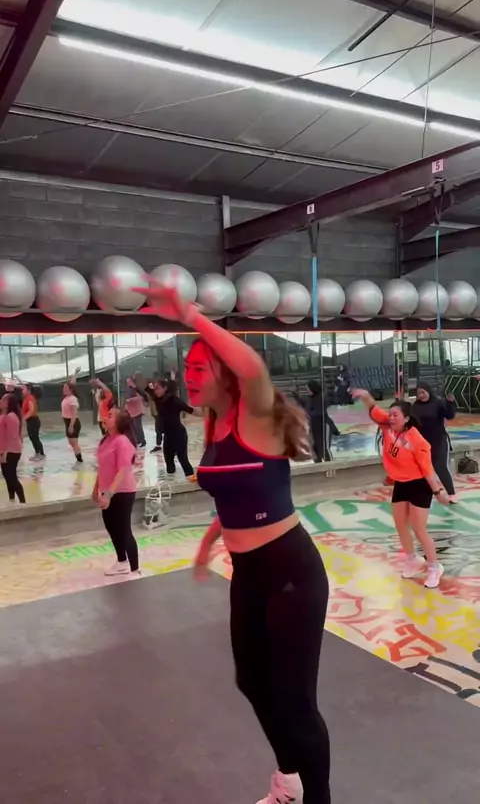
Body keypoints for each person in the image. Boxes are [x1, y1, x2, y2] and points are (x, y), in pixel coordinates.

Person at [134, 278, 331, 804]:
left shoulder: (255, 415)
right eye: (188, 369)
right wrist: (209, 540)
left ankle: (318, 797)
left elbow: (254, 368)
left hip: (290, 571)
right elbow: (239, 494)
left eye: (201, 368)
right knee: (252, 681)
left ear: (226, 374)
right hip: (248, 574)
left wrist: (192, 317)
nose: (189, 376)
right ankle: (290, 779)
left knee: (295, 701)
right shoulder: (216, 426)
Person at [352, 388, 450, 589]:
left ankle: (434, 567)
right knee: (400, 525)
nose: (391, 417)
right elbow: (373, 407)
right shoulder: (388, 426)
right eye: (390, 414)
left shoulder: (417, 441)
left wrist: (439, 491)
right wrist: (364, 395)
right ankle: (412, 559)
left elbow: (428, 470)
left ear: (406, 418)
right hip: (401, 483)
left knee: (419, 528)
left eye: (395, 415)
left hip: (419, 485)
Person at [92, 407, 140, 577]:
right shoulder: (106, 441)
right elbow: (102, 468)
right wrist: (96, 488)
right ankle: (121, 562)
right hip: (107, 491)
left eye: (110, 416)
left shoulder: (122, 441)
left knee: (123, 530)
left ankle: (135, 569)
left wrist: (109, 494)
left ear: (119, 422)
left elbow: (122, 471)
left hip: (122, 491)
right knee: (111, 527)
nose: (106, 417)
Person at [412, 382, 456, 501]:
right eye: (418, 393)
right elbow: (412, 424)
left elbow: (450, 416)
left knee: (440, 468)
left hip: (439, 440)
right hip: (423, 442)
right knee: (422, 469)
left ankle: (451, 494)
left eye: (423, 392)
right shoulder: (415, 406)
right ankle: (425, 494)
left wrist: (450, 403)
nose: (421, 395)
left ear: (428, 391)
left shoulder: (438, 402)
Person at [150, 379, 196, 477]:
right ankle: (171, 483)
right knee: (169, 463)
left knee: (183, 459)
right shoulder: (158, 399)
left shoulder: (174, 400)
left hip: (179, 435)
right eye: (154, 389)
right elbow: (144, 391)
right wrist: (134, 385)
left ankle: (192, 479)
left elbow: (190, 410)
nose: (155, 391)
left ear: (165, 388)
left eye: (157, 388)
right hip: (168, 436)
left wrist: (207, 414)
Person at [297, 380, 338, 462]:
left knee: (324, 448)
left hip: (323, 424)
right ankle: (318, 465)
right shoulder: (309, 399)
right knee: (315, 448)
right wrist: (297, 397)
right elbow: (305, 405)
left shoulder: (322, 398)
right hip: (314, 426)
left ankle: (330, 465)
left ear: (313, 389)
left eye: (308, 389)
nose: (307, 390)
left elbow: (317, 411)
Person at [0, 393, 26, 504]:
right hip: (5, 450)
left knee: (11, 476)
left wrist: (4, 453)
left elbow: (11, 437)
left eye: (3, 400)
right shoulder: (5, 415)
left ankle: (23, 502)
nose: (1, 401)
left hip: (11, 451)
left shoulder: (11, 417)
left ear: (9, 403)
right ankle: (11, 499)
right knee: (7, 475)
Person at [61, 377, 83, 463]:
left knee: (74, 443)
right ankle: (78, 458)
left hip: (73, 422)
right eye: (63, 387)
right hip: (67, 422)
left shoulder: (73, 399)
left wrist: (71, 425)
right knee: (71, 442)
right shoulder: (67, 397)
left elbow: (74, 414)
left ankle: (80, 460)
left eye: (65, 388)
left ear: (70, 389)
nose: (63, 389)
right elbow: (72, 383)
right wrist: (75, 375)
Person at [22, 383, 45, 461]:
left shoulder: (30, 398)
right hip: (30, 421)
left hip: (33, 421)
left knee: (35, 438)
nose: (22, 391)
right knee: (32, 438)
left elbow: (31, 410)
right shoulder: (26, 398)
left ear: (28, 390)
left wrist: (24, 418)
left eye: (23, 389)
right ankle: (37, 453)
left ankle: (41, 454)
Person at [125, 377, 147, 448]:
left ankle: (142, 440)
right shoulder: (128, 390)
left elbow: (141, 397)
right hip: (131, 411)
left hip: (137, 411)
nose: (128, 383)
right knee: (133, 427)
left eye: (129, 381)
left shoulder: (136, 389)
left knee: (138, 427)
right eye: (127, 381)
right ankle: (137, 440)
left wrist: (131, 400)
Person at [146, 380, 164, 454]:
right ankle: (158, 445)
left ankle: (174, 447)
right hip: (156, 414)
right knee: (158, 430)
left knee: (165, 430)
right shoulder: (153, 394)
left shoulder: (158, 394)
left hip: (161, 414)